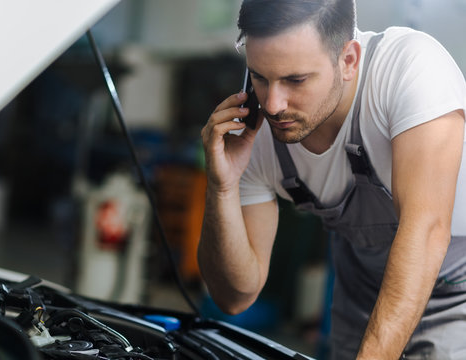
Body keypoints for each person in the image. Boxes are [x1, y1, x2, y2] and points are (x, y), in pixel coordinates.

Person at [198, 0, 466, 359]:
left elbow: (427, 230)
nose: (274, 104)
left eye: (295, 79)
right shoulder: (254, 135)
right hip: (362, 291)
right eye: (260, 77)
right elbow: (234, 297)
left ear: (348, 61)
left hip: (456, 293)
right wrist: (223, 187)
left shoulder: (411, 70)